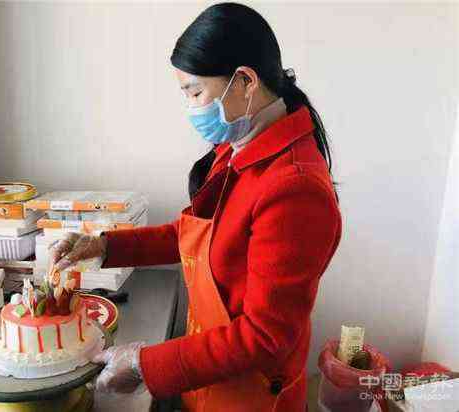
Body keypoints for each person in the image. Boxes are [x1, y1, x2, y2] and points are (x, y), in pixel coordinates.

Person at [49, 3, 342, 411]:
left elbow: (265, 336)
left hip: (250, 396)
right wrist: (103, 246)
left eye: (195, 92)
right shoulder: (237, 146)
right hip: (209, 379)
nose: (191, 107)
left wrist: (144, 363)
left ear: (245, 81)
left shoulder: (295, 188)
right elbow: (193, 237)